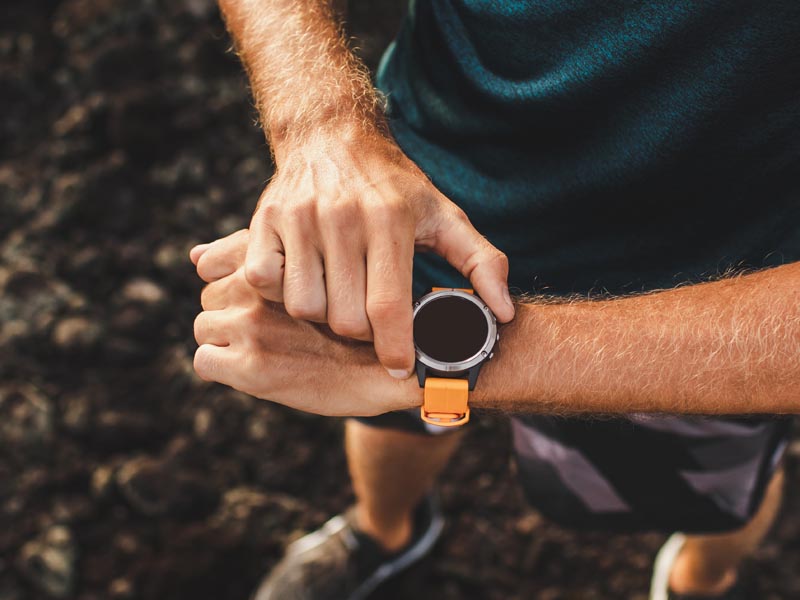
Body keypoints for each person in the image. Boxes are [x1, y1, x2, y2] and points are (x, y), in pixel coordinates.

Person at [191, 1, 800, 598]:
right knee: (390, 425)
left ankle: (700, 582)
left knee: (709, 492)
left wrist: (459, 364)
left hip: (714, 300)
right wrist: (322, 125)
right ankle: (382, 532)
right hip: (410, 209)